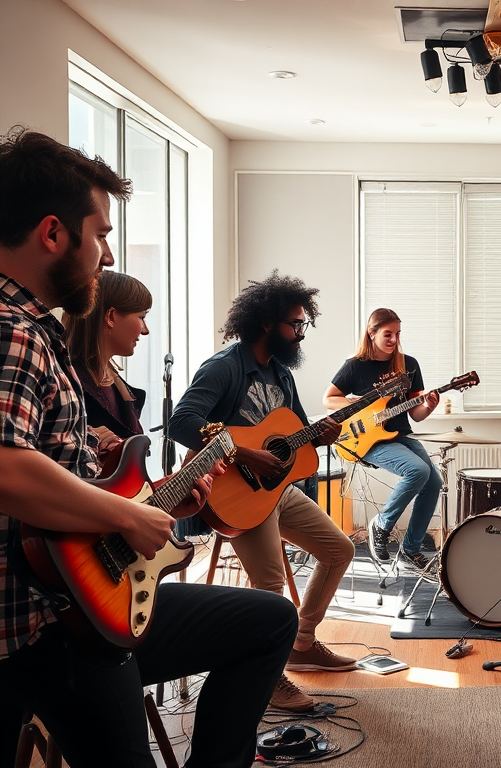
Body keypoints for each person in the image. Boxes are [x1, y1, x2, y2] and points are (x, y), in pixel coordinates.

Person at [0, 127, 298, 767]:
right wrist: (129, 514)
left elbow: (64, 472)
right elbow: (6, 468)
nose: (107, 255)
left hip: (79, 599)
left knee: (269, 620)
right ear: (53, 234)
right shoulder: (13, 330)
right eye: (100, 233)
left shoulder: (34, 330)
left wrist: (146, 496)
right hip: (40, 623)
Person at [168, 270, 356, 713]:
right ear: (268, 323)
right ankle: (269, 679)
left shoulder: (280, 374)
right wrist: (246, 454)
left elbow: (292, 434)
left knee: (339, 549)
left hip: (275, 491)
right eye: (296, 324)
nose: (301, 334)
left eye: (303, 325)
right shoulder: (225, 367)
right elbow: (182, 421)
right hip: (232, 492)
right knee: (272, 590)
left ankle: (303, 641)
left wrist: (321, 436)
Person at [323, 308, 442, 570]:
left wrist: (429, 405)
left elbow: (416, 414)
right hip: (367, 441)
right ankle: (382, 524)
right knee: (418, 470)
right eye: (388, 334)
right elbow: (329, 398)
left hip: (399, 435)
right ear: (372, 333)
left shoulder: (408, 364)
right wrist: (365, 408)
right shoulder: (355, 366)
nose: (394, 340)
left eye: (398, 334)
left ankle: (410, 551)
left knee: (434, 482)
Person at [63, 270, 151, 459]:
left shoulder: (121, 390)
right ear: (110, 316)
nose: (145, 331)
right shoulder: (63, 379)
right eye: (142, 317)